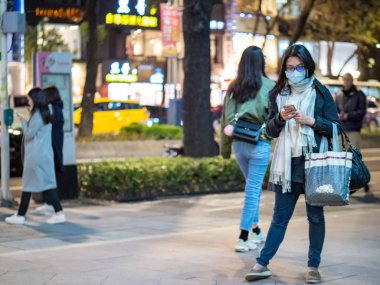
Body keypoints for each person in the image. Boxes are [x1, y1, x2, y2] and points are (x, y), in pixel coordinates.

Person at [244, 44, 340, 284]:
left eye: (299, 67)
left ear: (308, 67)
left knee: (315, 217)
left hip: (314, 163)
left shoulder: (321, 92)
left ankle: (313, 267)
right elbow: (269, 130)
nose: (294, 71)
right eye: (290, 67)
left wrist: (312, 121)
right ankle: (262, 263)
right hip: (286, 165)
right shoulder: (278, 93)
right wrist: (280, 118)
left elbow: (336, 127)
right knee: (279, 218)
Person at [220, 46, 275, 253]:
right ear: (261, 62)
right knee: (252, 192)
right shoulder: (270, 86)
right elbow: (275, 119)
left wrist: (225, 150)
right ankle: (243, 237)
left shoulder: (234, 87)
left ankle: (257, 230)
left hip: (238, 144)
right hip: (258, 144)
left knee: (252, 190)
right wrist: (268, 135)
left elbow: (225, 118)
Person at [5, 87, 66, 225]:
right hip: (43, 155)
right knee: (43, 185)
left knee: (29, 185)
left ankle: (22, 215)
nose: (28, 101)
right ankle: (55, 212)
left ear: (36, 100)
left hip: (36, 156)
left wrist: (22, 119)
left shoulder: (38, 115)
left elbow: (28, 133)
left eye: (29, 99)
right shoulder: (45, 113)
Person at [335, 73, 369, 192]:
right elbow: (334, 110)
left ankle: (363, 180)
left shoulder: (359, 95)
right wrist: (339, 116)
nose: (347, 82)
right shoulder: (338, 94)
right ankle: (347, 184)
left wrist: (348, 115)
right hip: (342, 130)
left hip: (354, 129)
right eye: (345, 79)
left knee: (355, 157)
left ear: (352, 80)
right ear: (342, 81)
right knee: (341, 157)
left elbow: (362, 111)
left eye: (349, 80)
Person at [36, 86, 65, 213]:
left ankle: (54, 205)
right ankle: (50, 202)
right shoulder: (56, 108)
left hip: (52, 148)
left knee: (50, 176)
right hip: (52, 147)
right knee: (48, 175)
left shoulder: (55, 109)